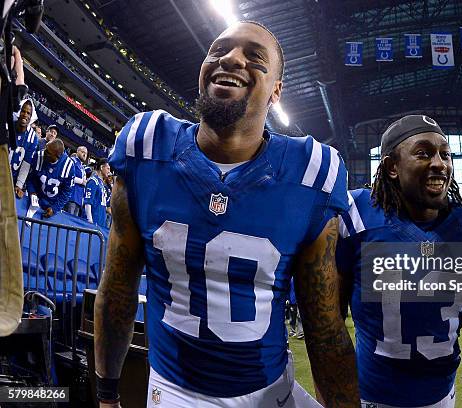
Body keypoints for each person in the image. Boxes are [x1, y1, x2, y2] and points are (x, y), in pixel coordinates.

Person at [95, 20, 359, 408]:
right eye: (219, 50)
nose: (232, 59)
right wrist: (106, 395)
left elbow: (323, 326)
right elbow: (117, 288)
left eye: (254, 57)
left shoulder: (311, 172)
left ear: (276, 91)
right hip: (175, 393)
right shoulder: (146, 145)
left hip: (271, 392)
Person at [337, 114, 462, 408]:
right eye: (423, 153)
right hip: (368, 398)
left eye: (445, 154)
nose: (439, 163)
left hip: (441, 399)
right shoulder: (355, 217)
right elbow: (329, 325)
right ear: (392, 167)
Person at [26, 138, 75, 218]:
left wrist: (55, 208)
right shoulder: (38, 156)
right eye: (45, 148)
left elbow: (67, 191)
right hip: (35, 199)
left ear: (58, 156)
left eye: (48, 152)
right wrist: (32, 191)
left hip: (52, 203)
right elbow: (30, 178)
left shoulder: (68, 166)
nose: (44, 152)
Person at [10, 99, 38, 197]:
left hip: (11, 180)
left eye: (28, 113)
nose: (25, 115)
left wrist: (19, 185)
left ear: (31, 117)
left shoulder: (33, 138)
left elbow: (26, 163)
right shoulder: (7, 126)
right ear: (19, 111)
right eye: (23, 111)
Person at [83, 159, 110, 228]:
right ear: (101, 167)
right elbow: (87, 202)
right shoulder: (93, 181)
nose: (109, 171)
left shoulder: (102, 184)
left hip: (100, 223)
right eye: (108, 168)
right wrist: (90, 221)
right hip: (93, 222)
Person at [66, 146, 88, 216]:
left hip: (78, 198)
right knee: (68, 220)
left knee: (73, 223)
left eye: (86, 153)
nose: (84, 155)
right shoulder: (72, 160)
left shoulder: (82, 166)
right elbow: (67, 176)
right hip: (71, 196)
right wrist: (82, 181)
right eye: (82, 152)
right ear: (77, 152)